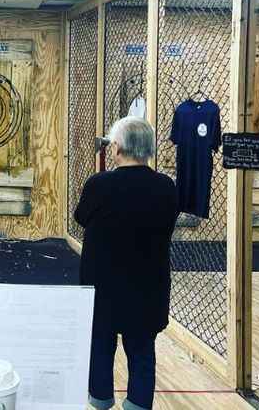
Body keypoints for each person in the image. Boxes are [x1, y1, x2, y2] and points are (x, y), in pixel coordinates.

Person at [75, 116, 178, 410]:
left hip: (103, 285)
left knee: (101, 344)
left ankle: (100, 398)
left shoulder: (99, 183)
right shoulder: (165, 186)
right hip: (148, 285)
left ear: (116, 148)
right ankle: (138, 403)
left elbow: (81, 217)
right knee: (142, 348)